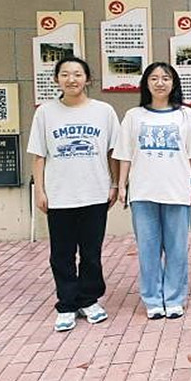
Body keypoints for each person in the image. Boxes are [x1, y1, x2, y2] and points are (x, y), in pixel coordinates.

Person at [27, 56, 120, 332]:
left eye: (78, 74)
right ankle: (67, 304)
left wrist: (115, 184)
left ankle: (89, 300)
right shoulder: (45, 113)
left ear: (87, 79)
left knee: (91, 252)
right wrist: (40, 190)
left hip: (95, 192)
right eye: (65, 74)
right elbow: (39, 156)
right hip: (59, 195)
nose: (71, 79)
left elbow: (113, 151)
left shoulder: (103, 111)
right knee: (62, 254)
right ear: (56, 79)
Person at [113, 62, 191, 320]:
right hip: (143, 191)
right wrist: (122, 185)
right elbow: (124, 154)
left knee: (177, 249)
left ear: (174, 83)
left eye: (166, 78)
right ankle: (152, 299)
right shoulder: (134, 115)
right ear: (146, 83)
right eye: (154, 78)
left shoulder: (186, 115)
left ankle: (174, 299)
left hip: (177, 189)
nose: (160, 83)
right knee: (148, 250)